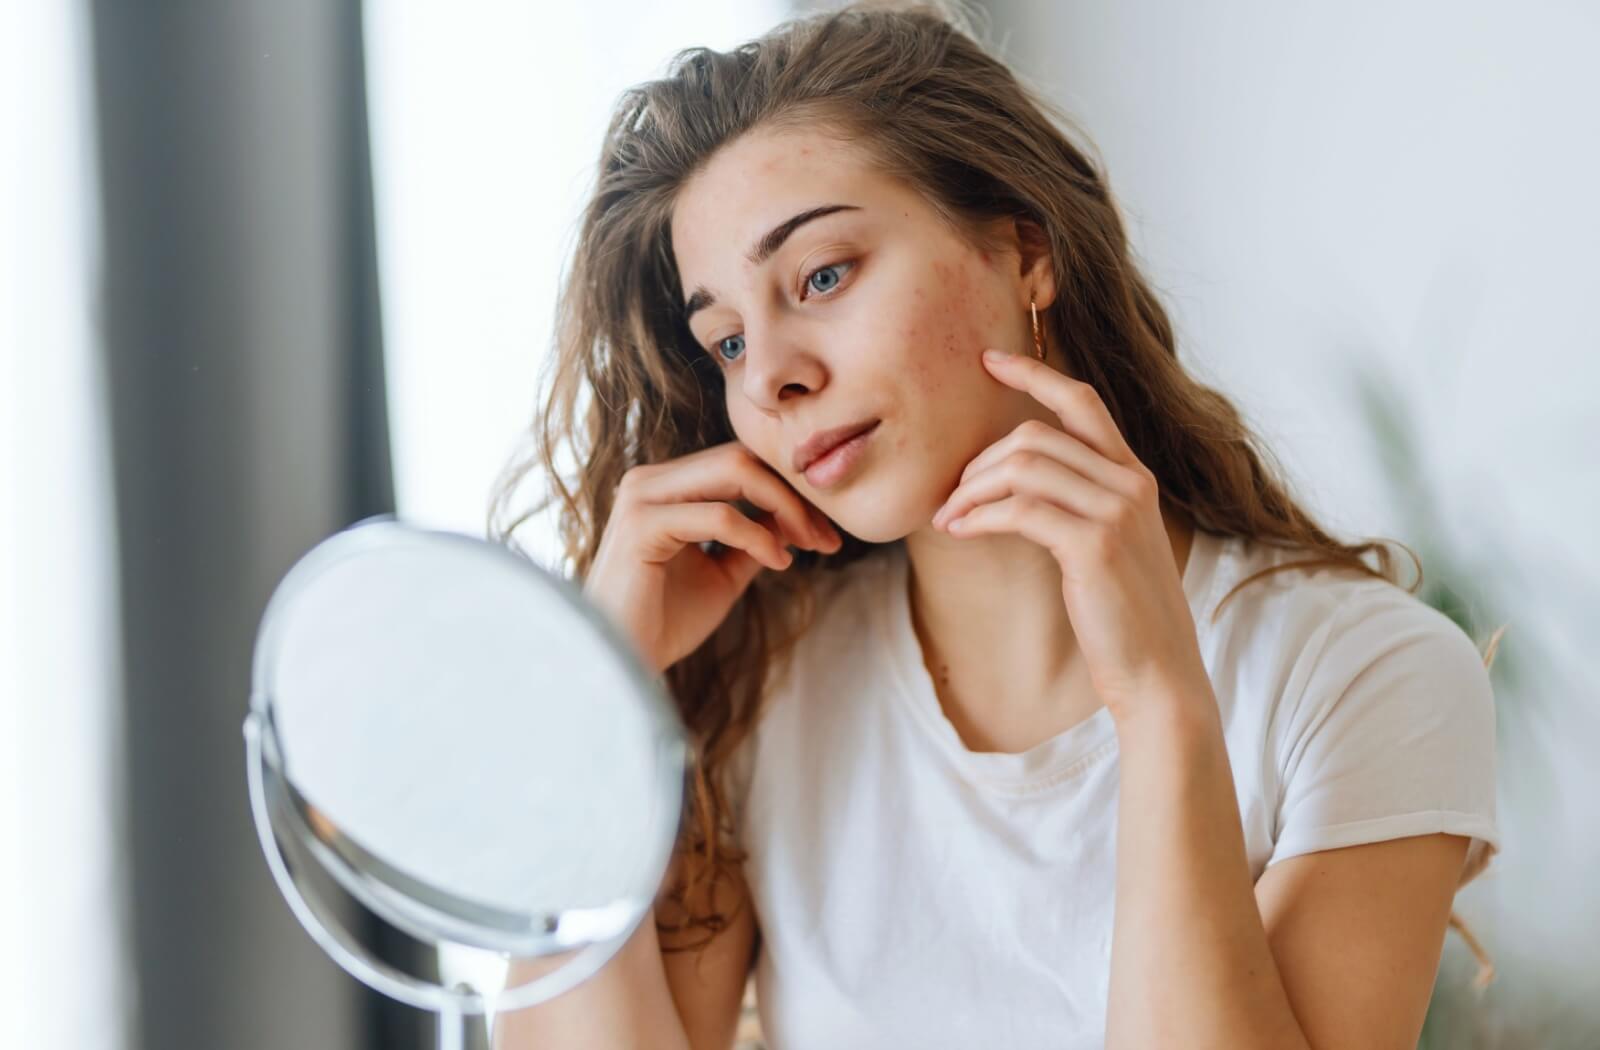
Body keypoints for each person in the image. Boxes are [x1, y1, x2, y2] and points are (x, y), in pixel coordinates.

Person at [490, 3, 1501, 1047]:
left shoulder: (1359, 673)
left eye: (823, 276)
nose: (776, 373)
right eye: (729, 342)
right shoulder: (768, 677)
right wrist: (596, 689)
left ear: (1025, 253)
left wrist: (1159, 706)